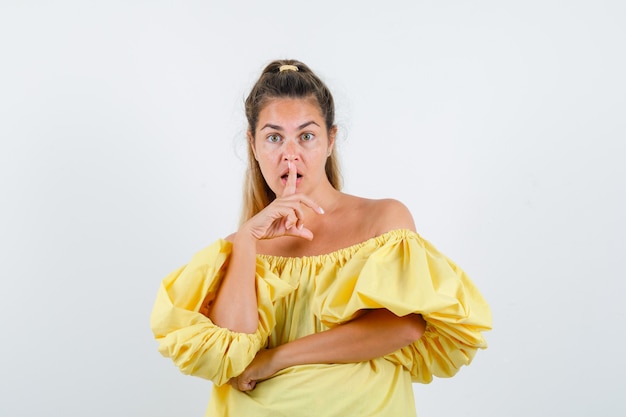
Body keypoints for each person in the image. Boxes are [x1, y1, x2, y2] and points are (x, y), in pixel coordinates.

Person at [150, 59, 492, 417]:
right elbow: (228, 354)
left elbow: (404, 326)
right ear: (253, 144)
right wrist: (247, 241)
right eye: (273, 137)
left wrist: (276, 358)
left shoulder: (382, 219)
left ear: (331, 140)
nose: (290, 154)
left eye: (306, 136)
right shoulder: (240, 246)